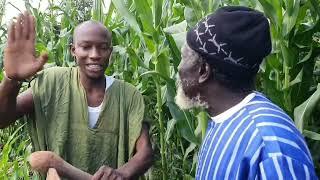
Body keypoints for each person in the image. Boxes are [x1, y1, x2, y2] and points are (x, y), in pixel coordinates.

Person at [0, 12, 153, 179]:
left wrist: (121, 174)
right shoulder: (53, 83)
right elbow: (2, 119)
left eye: (102, 47)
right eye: (86, 47)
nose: (95, 55)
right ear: (73, 50)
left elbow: (145, 152)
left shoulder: (128, 95)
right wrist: (11, 80)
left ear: (110, 52)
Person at [175, 6, 317, 179]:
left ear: (203, 71)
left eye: (183, 58)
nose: (178, 67)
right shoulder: (222, 120)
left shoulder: (271, 149)